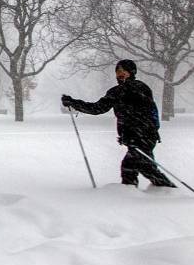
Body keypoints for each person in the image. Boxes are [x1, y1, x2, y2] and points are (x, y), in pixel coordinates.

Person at [61, 59, 175, 188]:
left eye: (124, 71)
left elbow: (146, 111)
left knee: (129, 167)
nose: (120, 74)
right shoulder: (115, 92)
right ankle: (164, 190)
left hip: (144, 135)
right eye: (118, 71)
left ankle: (130, 194)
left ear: (131, 72)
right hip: (134, 137)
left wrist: (137, 132)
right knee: (145, 167)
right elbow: (98, 108)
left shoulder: (140, 87)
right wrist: (74, 103)